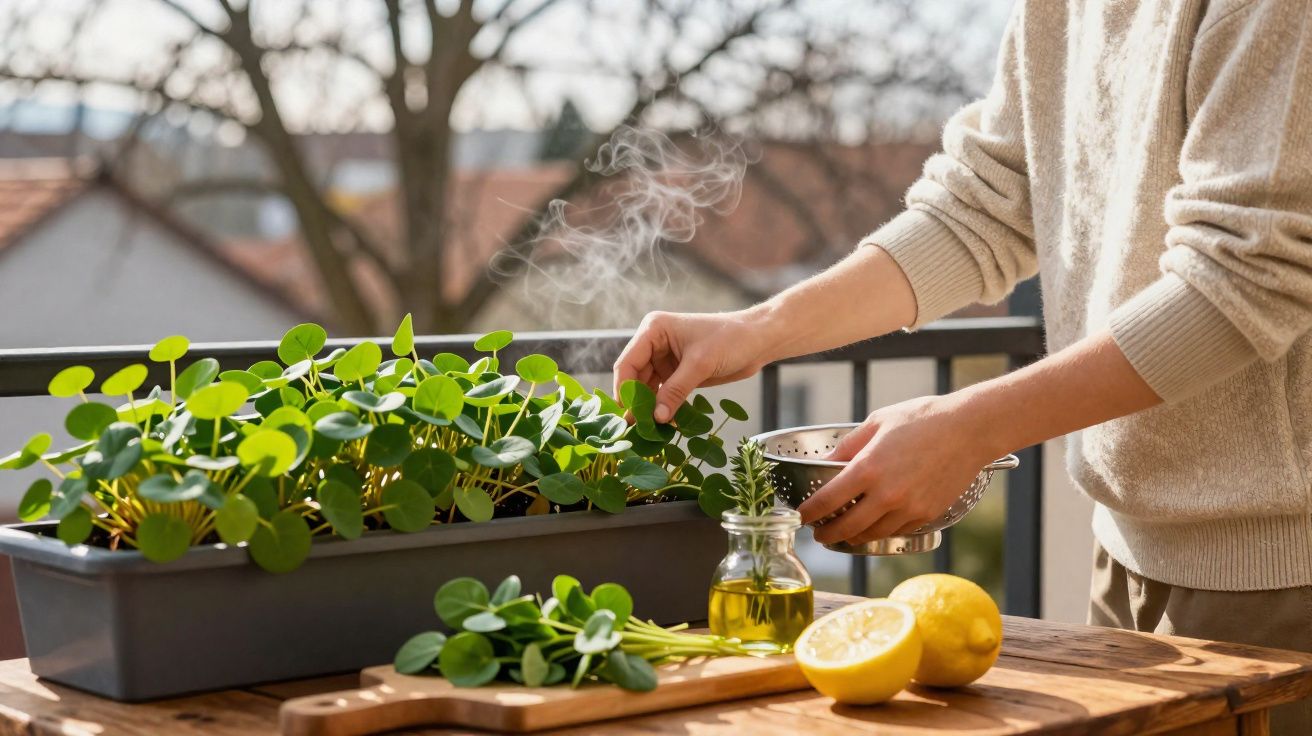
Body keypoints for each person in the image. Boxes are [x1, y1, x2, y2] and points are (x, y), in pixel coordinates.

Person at [614, 0, 1312, 732]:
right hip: (1127, 550)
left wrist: (969, 428)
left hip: (1284, 575)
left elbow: (1248, 274)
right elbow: (982, 206)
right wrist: (755, 331)